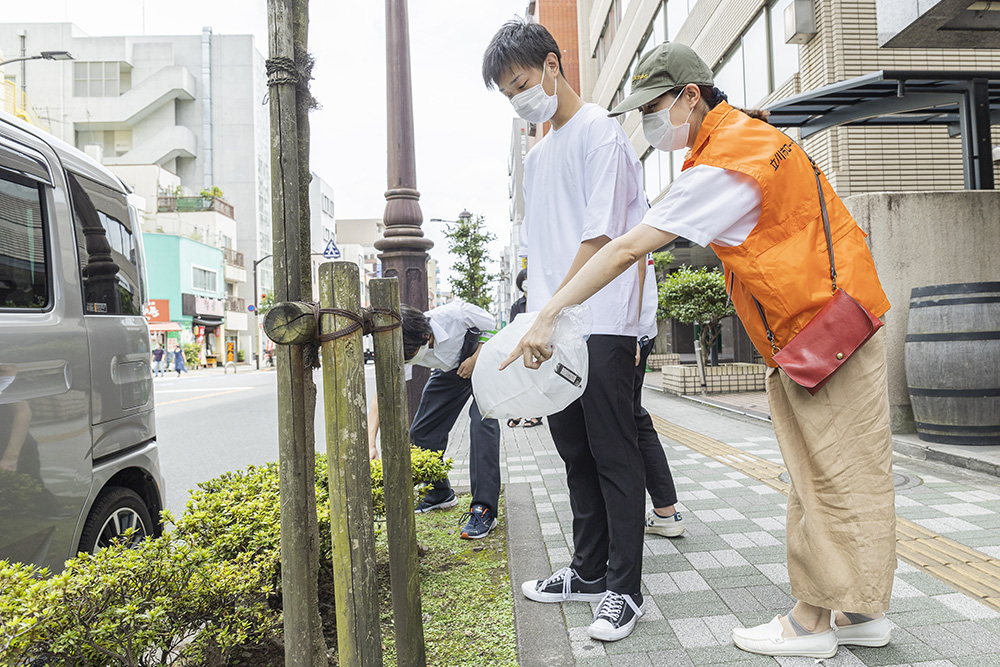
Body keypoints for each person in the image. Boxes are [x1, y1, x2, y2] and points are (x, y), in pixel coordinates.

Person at [501, 42, 895, 660]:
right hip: (836, 324)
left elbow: (625, 247)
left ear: (690, 96)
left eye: (654, 107)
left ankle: (811, 624)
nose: (648, 123)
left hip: (823, 333)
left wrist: (548, 310)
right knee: (843, 475)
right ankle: (861, 612)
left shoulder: (726, 163)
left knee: (822, 481)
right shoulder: (743, 141)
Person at [484, 19, 649, 642]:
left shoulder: (601, 135)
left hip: (603, 321)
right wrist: (536, 317)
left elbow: (603, 239)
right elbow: (539, 251)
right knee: (574, 451)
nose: (520, 99)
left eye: (522, 83)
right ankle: (587, 571)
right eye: (508, 94)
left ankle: (625, 590)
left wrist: (553, 311)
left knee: (613, 454)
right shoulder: (538, 152)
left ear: (554, 65)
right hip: (550, 327)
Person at [368, 299, 501, 540]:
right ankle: (440, 493)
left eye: (409, 355)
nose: (408, 359)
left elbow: (492, 326)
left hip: (482, 362)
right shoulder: (403, 343)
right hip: (449, 372)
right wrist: (370, 442)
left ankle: (484, 510)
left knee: (482, 424)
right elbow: (382, 390)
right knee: (421, 433)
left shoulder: (457, 314)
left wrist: (475, 358)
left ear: (426, 336)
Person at [635, 254, 683, 537]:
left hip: (631, 334)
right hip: (639, 333)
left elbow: (634, 262)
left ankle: (665, 510)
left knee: (628, 420)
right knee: (632, 418)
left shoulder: (624, 210)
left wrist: (631, 332)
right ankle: (665, 509)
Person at [506, 269, 541, 429]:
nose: (526, 281)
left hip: (540, 344)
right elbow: (512, 327)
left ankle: (535, 415)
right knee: (522, 381)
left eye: (529, 278)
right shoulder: (516, 305)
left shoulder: (542, 300)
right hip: (522, 346)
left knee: (536, 381)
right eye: (524, 279)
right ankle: (519, 413)